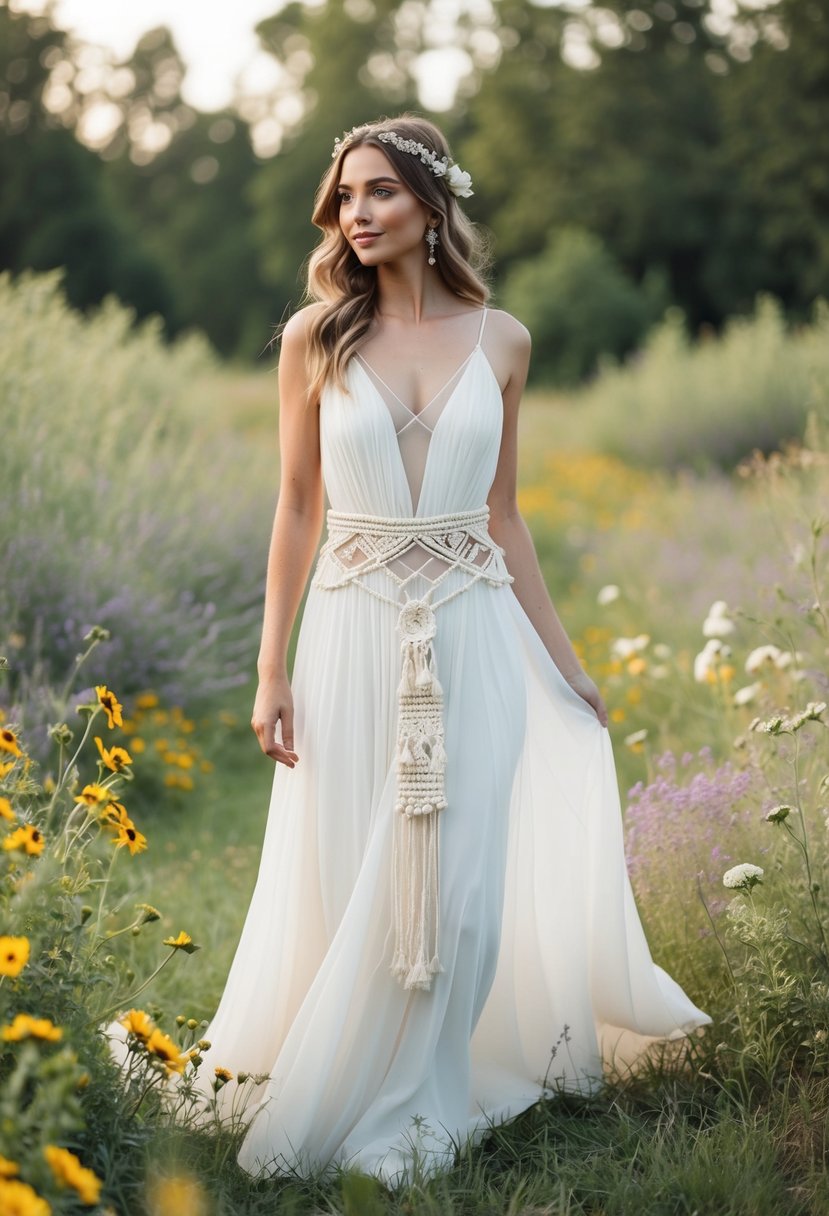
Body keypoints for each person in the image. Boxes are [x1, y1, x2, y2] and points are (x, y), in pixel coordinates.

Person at [107, 114, 710, 1186]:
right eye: (345, 198)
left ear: (430, 205)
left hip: (472, 633)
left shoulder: (505, 339)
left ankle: (424, 1092)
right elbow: (295, 508)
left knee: (462, 885)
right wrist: (269, 666)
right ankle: (350, 1072)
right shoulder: (314, 337)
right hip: (350, 630)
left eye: (378, 192)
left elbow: (507, 517)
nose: (357, 214)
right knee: (355, 869)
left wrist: (563, 661)